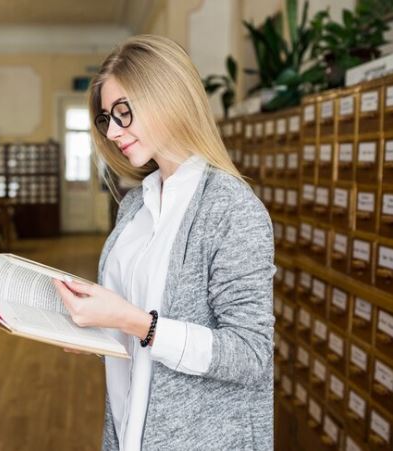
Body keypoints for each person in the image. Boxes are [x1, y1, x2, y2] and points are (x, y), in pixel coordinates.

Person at [52, 35, 275, 451]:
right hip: (128, 431)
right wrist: (97, 333)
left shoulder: (231, 209)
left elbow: (250, 354)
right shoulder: (135, 205)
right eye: (106, 119)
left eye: (123, 113)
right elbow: (131, 329)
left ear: (167, 96)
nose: (113, 131)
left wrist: (137, 322)